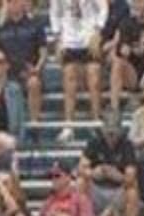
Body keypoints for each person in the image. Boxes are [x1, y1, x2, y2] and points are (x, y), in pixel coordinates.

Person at [51, 0, 106, 142]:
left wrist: (98, 32)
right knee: (69, 76)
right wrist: (58, 39)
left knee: (94, 76)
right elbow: (55, 13)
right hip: (69, 40)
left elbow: (103, 8)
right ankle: (68, 126)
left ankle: (96, 122)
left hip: (89, 39)